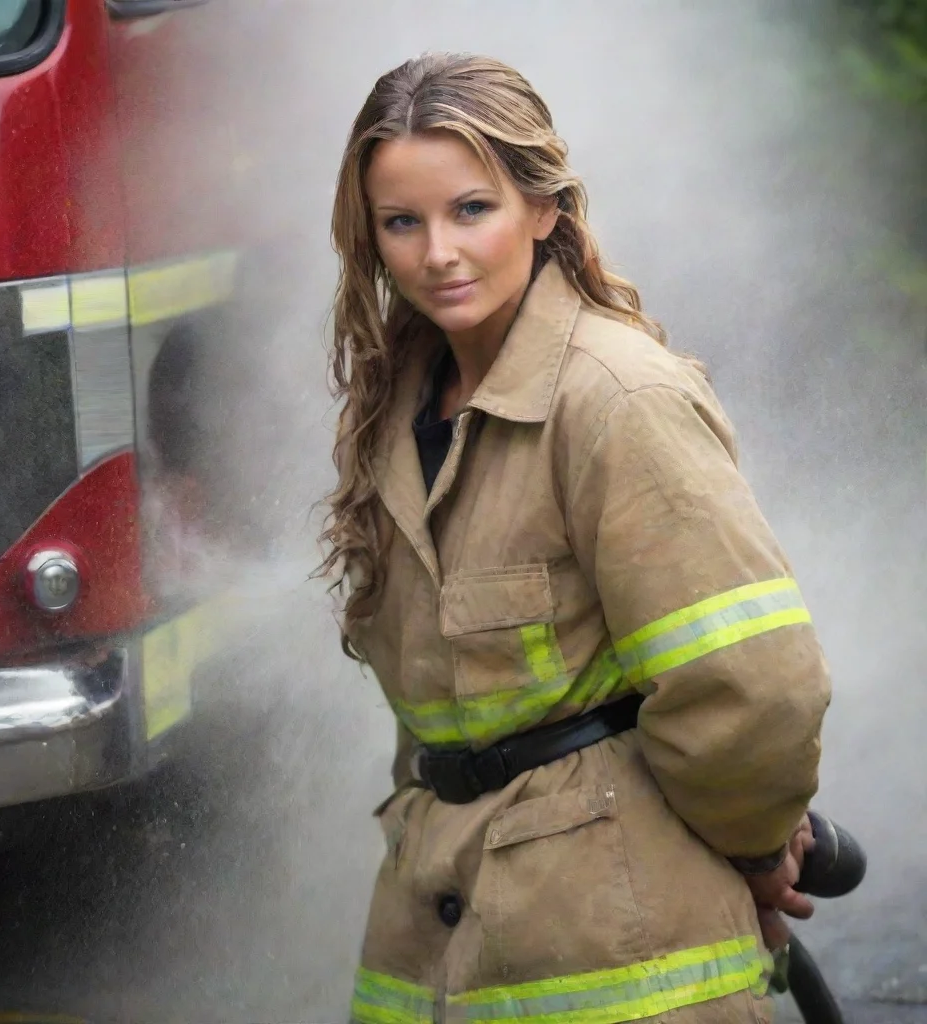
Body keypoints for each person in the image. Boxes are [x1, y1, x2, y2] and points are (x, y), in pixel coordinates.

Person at [318, 52, 832, 1024]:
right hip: (440, 949)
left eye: (472, 209)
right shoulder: (398, 412)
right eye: (401, 221)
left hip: (624, 965)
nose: (437, 252)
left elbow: (752, 685)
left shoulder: (615, 397)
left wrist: (758, 849)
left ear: (544, 210)